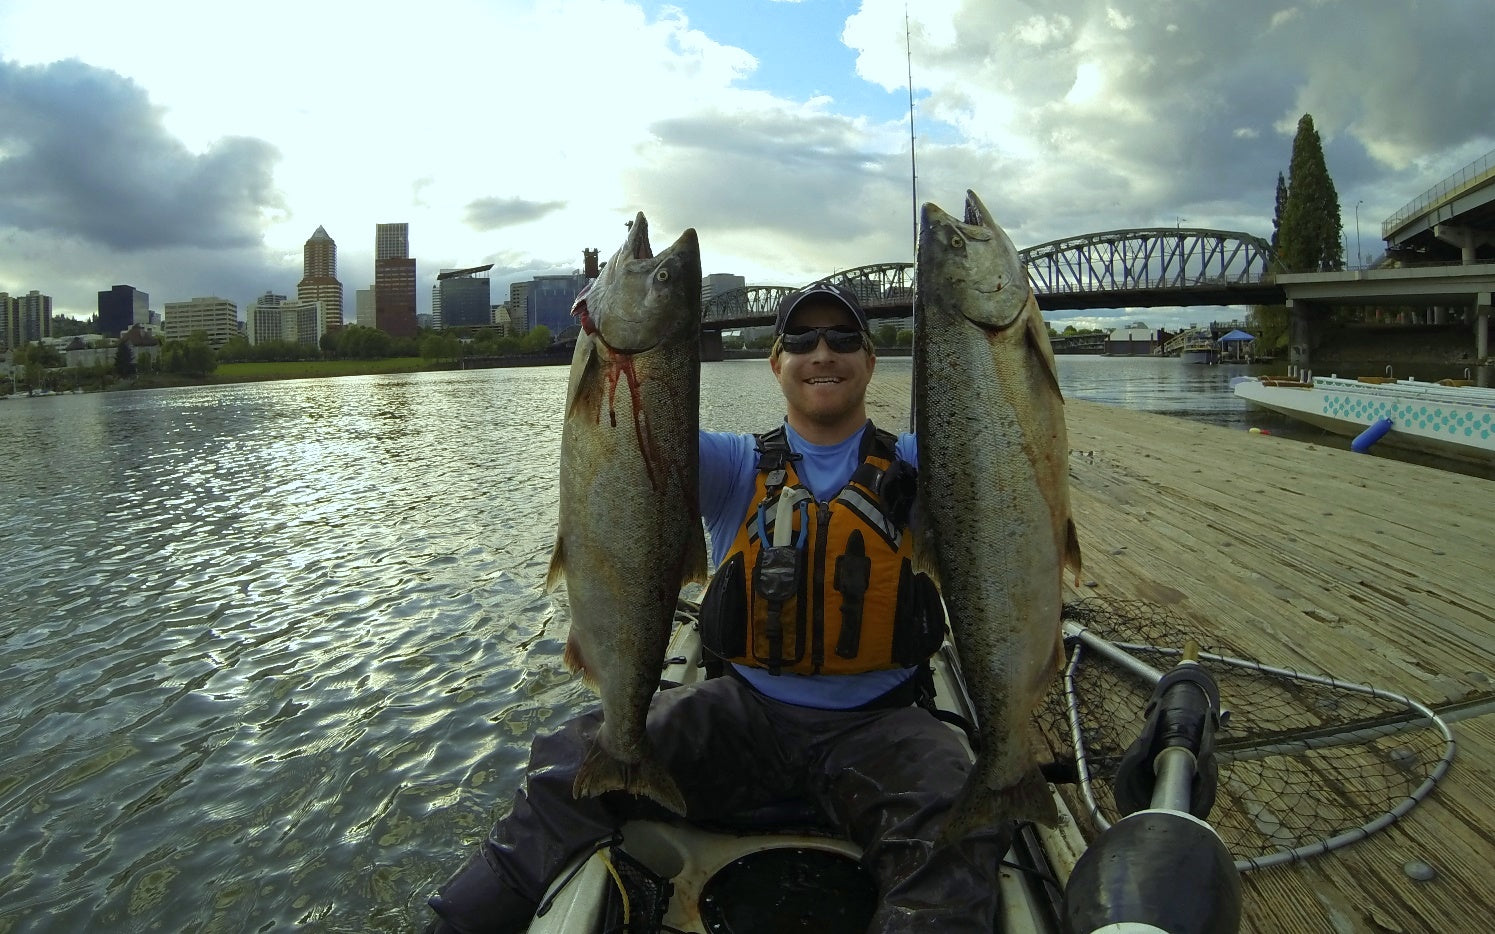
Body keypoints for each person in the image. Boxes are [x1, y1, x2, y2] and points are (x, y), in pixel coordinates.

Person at [426, 282, 1011, 933]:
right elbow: (630, 433)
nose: (824, 353)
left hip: (886, 727)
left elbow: (1000, 435)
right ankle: (457, 923)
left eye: (844, 339)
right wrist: (603, 332)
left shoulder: (919, 465)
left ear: (869, 363)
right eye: (802, 339)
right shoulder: (732, 464)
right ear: (775, 364)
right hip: (745, 715)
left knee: (965, 818)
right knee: (572, 757)